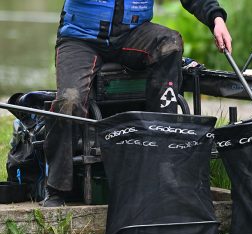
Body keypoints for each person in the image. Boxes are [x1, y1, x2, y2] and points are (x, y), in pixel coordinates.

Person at [42, 0, 232, 207]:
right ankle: (56, 188)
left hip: (132, 34)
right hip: (80, 37)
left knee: (170, 43)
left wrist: (217, 20)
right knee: (69, 102)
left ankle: (162, 161)